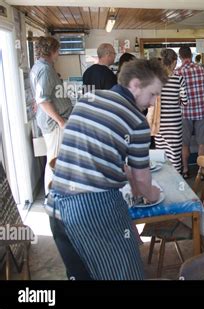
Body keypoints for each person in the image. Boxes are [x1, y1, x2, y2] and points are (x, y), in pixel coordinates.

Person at [48, 59, 168, 280]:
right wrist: (155, 194)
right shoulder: (136, 121)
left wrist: (131, 181)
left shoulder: (86, 100)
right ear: (135, 85)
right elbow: (142, 181)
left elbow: (103, 154)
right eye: (152, 94)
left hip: (56, 206)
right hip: (91, 209)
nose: (153, 103)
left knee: (82, 275)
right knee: (126, 274)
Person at [29, 36, 73, 196]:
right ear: (52, 50)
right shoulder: (46, 69)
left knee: (54, 157)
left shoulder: (38, 66)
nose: (58, 54)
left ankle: (54, 193)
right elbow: (43, 100)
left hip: (50, 120)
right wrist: (61, 121)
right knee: (55, 159)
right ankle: (52, 195)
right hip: (54, 123)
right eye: (58, 50)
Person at [148, 49, 188, 173]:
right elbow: (185, 101)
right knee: (175, 157)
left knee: (162, 156)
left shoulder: (156, 80)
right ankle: (177, 185)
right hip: (174, 124)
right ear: (174, 62)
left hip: (159, 124)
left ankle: (165, 183)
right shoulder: (179, 79)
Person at [175, 47, 204, 178]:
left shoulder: (177, 72)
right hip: (201, 111)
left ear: (180, 57)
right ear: (191, 55)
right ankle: (202, 171)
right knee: (202, 143)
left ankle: (185, 170)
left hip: (184, 113)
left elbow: (177, 95)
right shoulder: (202, 69)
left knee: (184, 143)